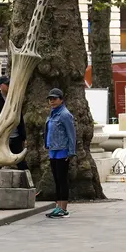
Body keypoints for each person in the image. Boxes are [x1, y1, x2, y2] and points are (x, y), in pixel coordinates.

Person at [45, 88, 76, 219]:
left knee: (62, 180)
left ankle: (63, 208)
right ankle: (58, 206)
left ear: (61, 100)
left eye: (55, 99)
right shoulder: (52, 113)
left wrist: (71, 152)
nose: (52, 101)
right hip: (53, 150)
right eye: (50, 99)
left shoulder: (64, 114)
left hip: (62, 150)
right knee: (57, 180)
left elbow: (71, 134)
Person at [0, 75, 26, 163]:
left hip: (16, 136)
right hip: (2, 137)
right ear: (0, 86)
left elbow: (20, 117)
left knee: (20, 162)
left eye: (10, 84)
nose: (9, 86)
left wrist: (23, 137)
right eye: (7, 84)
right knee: (1, 161)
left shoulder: (14, 99)